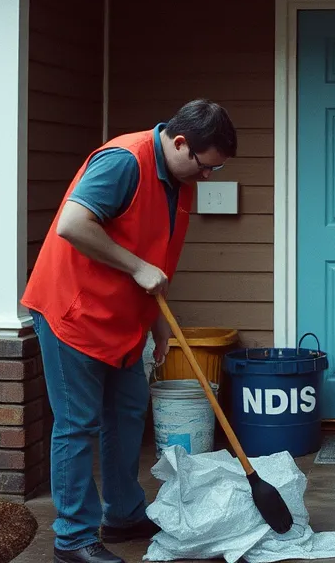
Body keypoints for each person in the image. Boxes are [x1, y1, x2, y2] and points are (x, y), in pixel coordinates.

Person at [21, 99, 238, 563]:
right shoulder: (124, 162)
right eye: (205, 167)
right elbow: (73, 224)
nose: (207, 178)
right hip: (72, 312)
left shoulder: (178, 179)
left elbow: (150, 257)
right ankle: (73, 538)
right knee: (78, 425)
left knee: (126, 415)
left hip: (123, 319)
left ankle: (122, 514)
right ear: (180, 143)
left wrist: (157, 321)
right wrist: (139, 269)